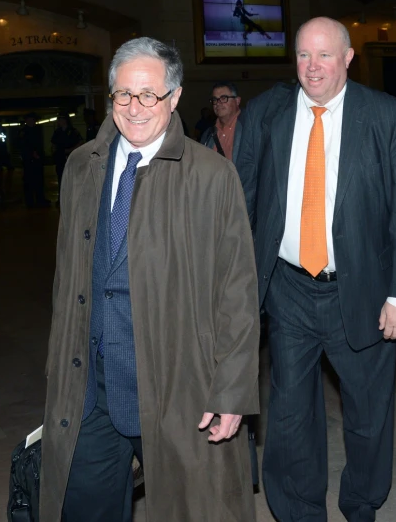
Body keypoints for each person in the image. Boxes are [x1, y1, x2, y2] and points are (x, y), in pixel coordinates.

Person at [39, 37, 260, 522]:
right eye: (124, 94)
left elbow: (238, 291)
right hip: (91, 387)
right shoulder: (81, 167)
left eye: (149, 95)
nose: (135, 108)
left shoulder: (211, 176)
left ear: (175, 97)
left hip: (177, 387)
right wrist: (59, 368)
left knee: (192, 506)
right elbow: (68, 278)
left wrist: (232, 388)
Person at [237, 17, 396, 521]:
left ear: (347, 58)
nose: (313, 67)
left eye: (325, 55)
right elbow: (242, 201)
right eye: (303, 55)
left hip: (363, 290)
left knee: (368, 413)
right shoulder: (266, 112)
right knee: (290, 412)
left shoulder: (384, 115)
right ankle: (299, 510)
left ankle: (361, 501)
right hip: (287, 289)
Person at [200, 81, 243, 163]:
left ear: (237, 101)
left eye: (224, 98)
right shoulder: (208, 135)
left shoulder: (249, 129)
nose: (218, 103)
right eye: (215, 99)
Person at [18, 113, 49, 207]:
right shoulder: (24, 132)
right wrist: (32, 153)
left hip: (37, 160)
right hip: (29, 160)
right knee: (29, 181)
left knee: (39, 180)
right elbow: (23, 146)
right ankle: (30, 201)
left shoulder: (36, 130)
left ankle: (40, 199)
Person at [50, 112, 83, 202]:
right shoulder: (57, 132)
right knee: (61, 178)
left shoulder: (73, 131)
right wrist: (54, 152)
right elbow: (53, 144)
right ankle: (61, 199)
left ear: (65, 120)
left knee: (72, 178)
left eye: (60, 119)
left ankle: (72, 198)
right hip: (60, 158)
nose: (58, 121)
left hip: (71, 157)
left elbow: (80, 142)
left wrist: (71, 150)